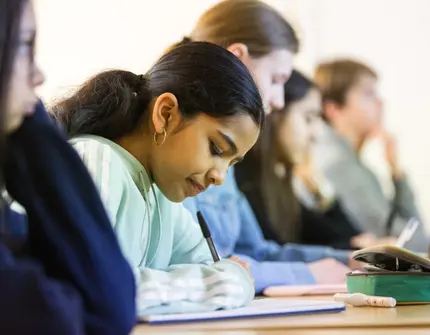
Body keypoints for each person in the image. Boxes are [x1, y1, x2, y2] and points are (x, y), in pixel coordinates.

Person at [52, 41, 263, 315]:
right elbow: (93, 287)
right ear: (165, 114)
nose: (220, 177)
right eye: (216, 149)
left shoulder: (164, 198)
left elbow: (212, 270)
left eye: (231, 163)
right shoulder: (95, 162)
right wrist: (224, 282)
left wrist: (224, 278)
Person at [183, 1, 360, 294]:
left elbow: (258, 251)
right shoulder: (179, 151)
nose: (278, 101)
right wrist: (304, 273)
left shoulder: (230, 161)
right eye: (276, 80)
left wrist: (348, 260)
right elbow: (201, 269)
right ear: (238, 58)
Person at [0, 0, 136, 333]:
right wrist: (34, 125)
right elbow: (67, 317)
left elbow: (109, 308)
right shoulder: (105, 159)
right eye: (24, 45)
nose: (38, 75)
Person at [235, 70, 395, 250]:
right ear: (275, 114)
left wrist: (316, 186)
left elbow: (347, 236)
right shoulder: (243, 180)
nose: (315, 135)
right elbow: (279, 253)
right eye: (308, 119)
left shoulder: (278, 182)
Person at [313, 58, 429, 252]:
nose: (380, 102)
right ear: (333, 108)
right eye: (368, 94)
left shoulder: (348, 160)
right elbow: (410, 245)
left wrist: (395, 169)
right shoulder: (339, 164)